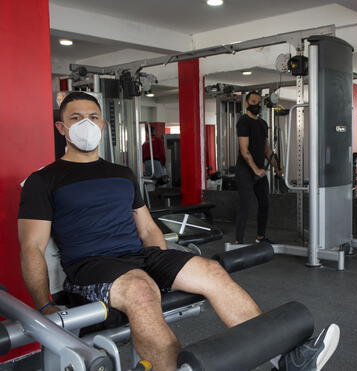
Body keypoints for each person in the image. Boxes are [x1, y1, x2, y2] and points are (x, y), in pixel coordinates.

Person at [18, 92, 339, 371]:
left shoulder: (122, 173)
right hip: (90, 266)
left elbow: (146, 227)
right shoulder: (44, 180)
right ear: (62, 128)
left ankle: (285, 360)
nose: (86, 123)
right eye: (76, 118)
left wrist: (167, 266)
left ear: (102, 125)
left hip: (141, 257)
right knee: (141, 289)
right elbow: (32, 247)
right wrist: (44, 307)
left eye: (92, 117)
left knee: (211, 271)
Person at [235, 91, 283, 244]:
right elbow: (244, 149)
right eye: (253, 102)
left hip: (260, 171)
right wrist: (255, 169)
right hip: (245, 171)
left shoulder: (262, 124)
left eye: (258, 102)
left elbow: (266, 149)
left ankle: (260, 238)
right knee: (245, 206)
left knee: (264, 204)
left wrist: (277, 167)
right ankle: (238, 242)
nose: (256, 105)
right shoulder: (243, 122)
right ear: (247, 103)